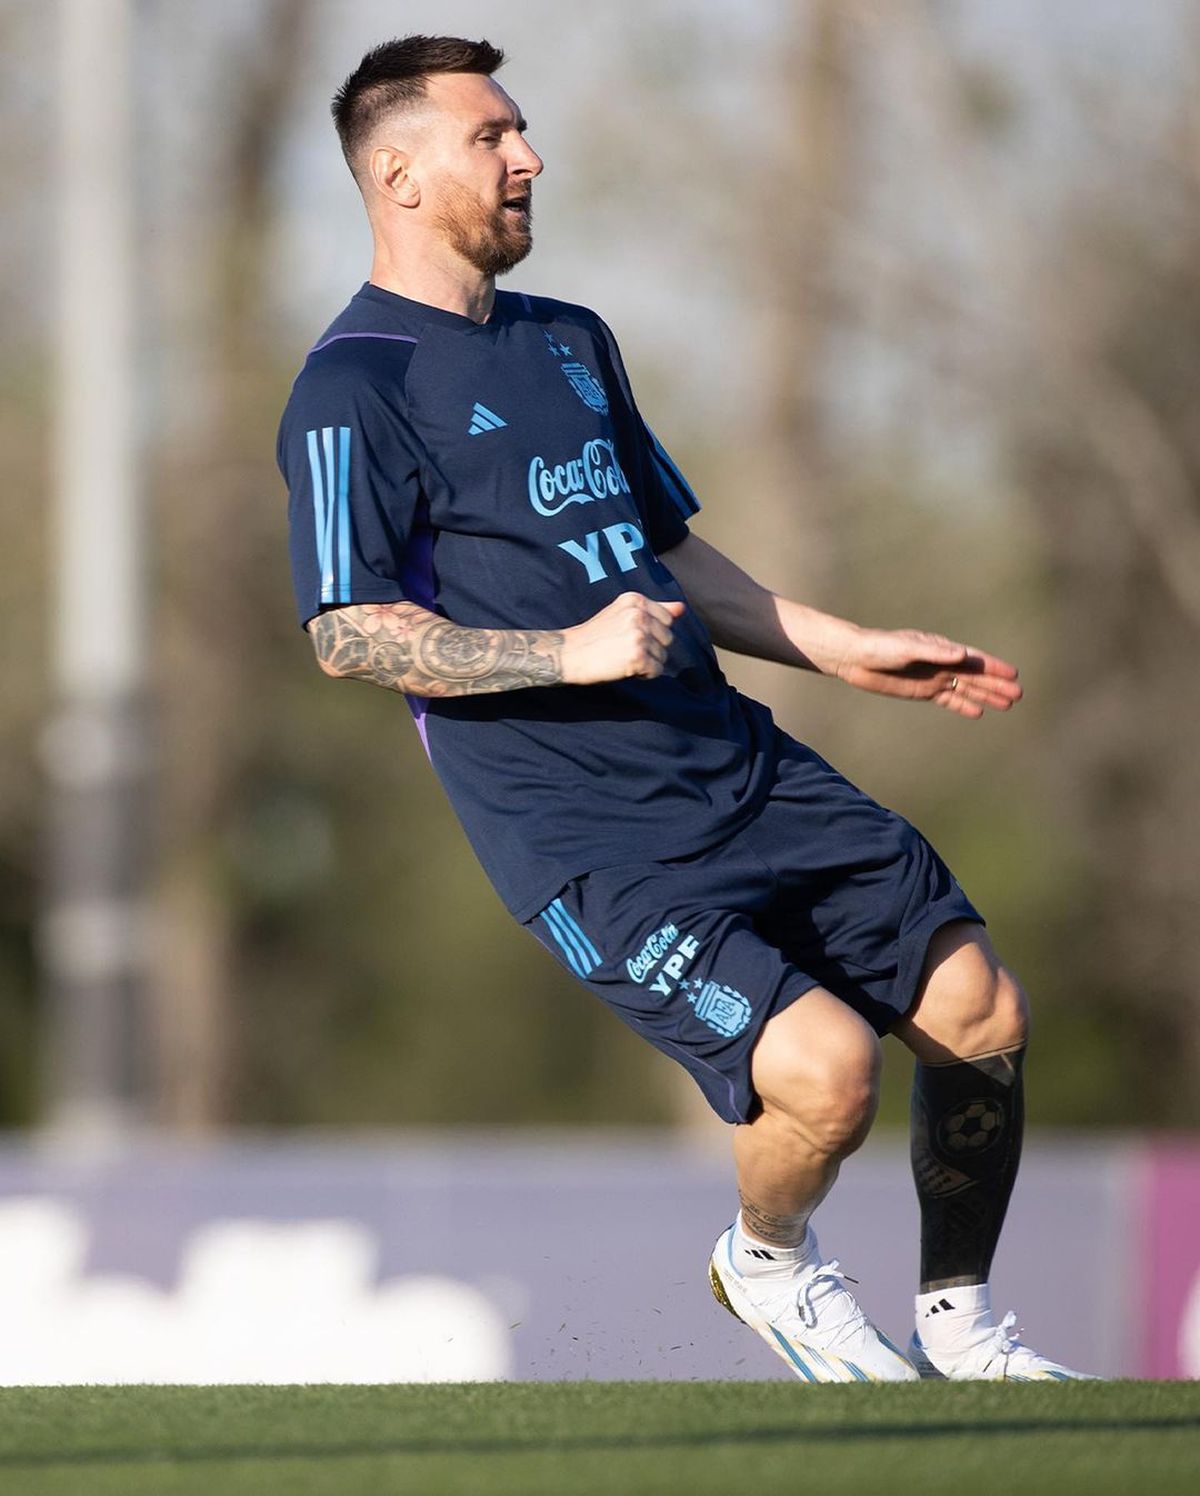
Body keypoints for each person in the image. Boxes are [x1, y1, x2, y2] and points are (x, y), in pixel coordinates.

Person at [278, 34, 1093, 1382]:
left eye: (522, 129)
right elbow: (346, 632)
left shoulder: (572, 341)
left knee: (979, 1009)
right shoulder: (353, 384)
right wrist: (566, 653)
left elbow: (664, 556)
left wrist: (841, 648)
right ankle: (768, 1262)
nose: (529, 155)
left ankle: (963, 1325)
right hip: (584, 834)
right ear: (397, 171)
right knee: (826, 1075)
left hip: (737, 767)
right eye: (491, 138)